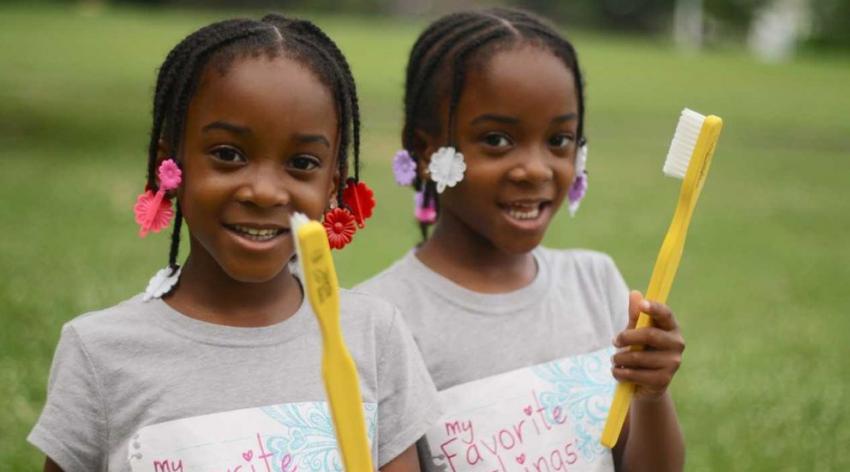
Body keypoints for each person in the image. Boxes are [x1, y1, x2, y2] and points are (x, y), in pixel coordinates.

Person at [29, 14, 438, 472]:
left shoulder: (372, 334)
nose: (264, 191)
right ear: (171, 166)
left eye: (302, 162)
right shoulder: (102, 352)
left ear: (331, 187)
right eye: (228, 154)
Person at [357, 8, 685, 472]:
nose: (535, 168)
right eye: (497, 139)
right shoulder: (380, 320)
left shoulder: (596, 283)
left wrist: (652, 395)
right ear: (426, 151)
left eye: (559, 140)